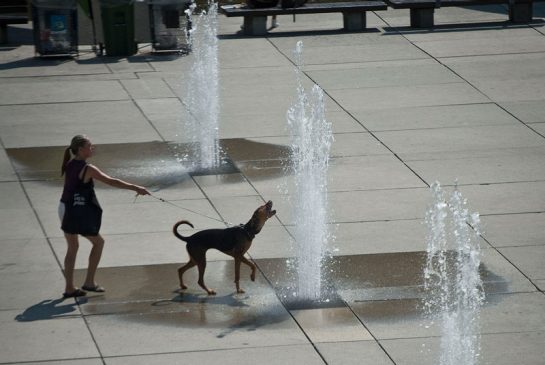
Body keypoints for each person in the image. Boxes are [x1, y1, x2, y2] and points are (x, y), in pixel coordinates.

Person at [59, 135, 150, 298]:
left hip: (64, 207)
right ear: (81, 149)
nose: (92, 148)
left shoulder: (70, 164)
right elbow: (112, 181)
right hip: (77, 211)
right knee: (98, 243)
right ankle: (89, 282)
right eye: (89, 146)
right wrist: (136, 187)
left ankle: (69, 288)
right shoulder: (88, 168)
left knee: (72, 248)